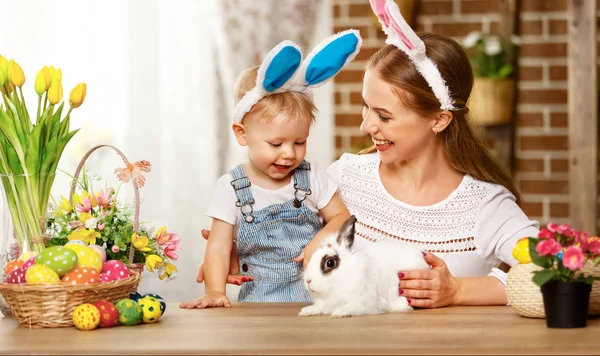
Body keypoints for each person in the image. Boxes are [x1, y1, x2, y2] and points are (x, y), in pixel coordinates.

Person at [195, 0, 540, 309]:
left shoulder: (485, 206)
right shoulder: (345, 178)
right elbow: (294, 244)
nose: (365, 126)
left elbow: (561, 275)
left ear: (439, 120)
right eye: (366, 108)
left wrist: (457, 291)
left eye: (384, 116)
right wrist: (244, 251)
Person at [180, 30, 362, 309]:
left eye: (299, 142)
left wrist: (321, 239)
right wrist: (216, 291)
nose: (289, 153)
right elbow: (218, 246)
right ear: (242, 134)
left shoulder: (310, 177)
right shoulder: (231, 187)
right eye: (276, 143)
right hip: (260, 304)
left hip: (318, 298)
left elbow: (340, 216)